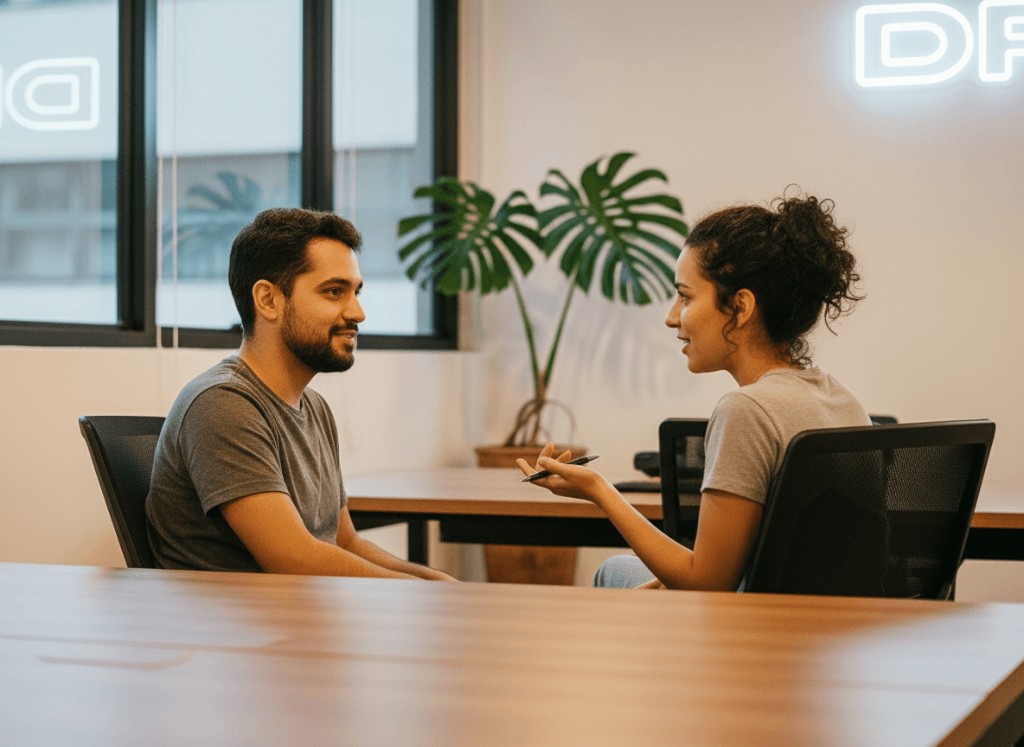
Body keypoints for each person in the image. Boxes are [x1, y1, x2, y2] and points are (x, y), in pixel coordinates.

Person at [517, 190, 869, 590]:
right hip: (832, 633)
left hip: (761, 637)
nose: (671, 318)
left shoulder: (747, 410)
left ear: (740, 307)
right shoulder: (843, 400)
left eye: (685, 297)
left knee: (612, 571)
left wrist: (600, 491)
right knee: (629, 577)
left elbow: (708, 583)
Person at [147, 207, 455, 580]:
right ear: (268, 300)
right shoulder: (222, 404)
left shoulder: (314, 407)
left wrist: (433, 581)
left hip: (308, 619)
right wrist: (422, 596)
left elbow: (345, 543)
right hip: (247, 631)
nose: (357, 312)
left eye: (355, 292)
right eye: (334, 292)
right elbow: (293, 559)